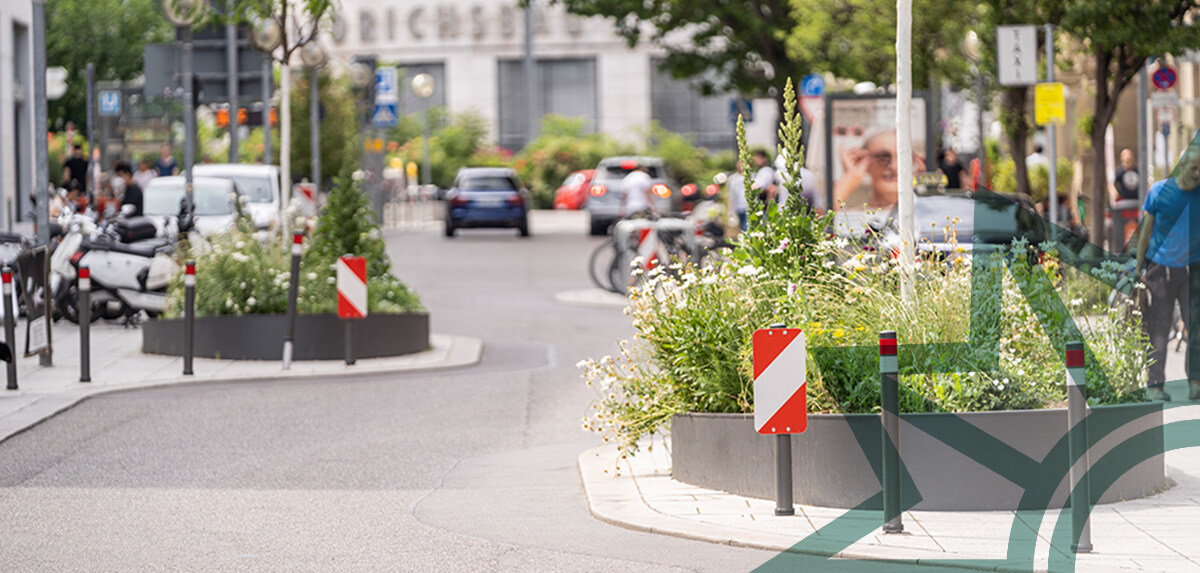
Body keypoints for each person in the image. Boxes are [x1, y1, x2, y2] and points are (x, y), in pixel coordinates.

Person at [1135, 145, 1200, 402]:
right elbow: (1145, 233)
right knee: (1159, 330)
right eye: (1194, 168)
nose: (1197, 173)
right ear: (1181, 166)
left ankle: (1195, 381)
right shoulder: (1159, 191)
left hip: (1192, 270)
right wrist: (1139, 267)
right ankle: (1156, 385)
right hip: (1160, 269)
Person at [834, 129, 925, 211]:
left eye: (904, 158)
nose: (895, 167)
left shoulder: (925, 213)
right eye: (883, 158)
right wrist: (851, 177)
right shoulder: (854, 217)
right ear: (866, 162)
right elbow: (822, 220)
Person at [727, 161, 748, 230]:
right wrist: (730, 210)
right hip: (738, 207)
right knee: (741, 227)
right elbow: (730, 194)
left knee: (747, 226)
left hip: (748, 206)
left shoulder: (751, 177)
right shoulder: (732, 178)